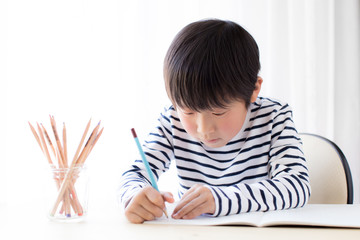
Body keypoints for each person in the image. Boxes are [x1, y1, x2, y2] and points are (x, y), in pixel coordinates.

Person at [118, 19, 310, 224]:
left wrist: (221, 199)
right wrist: (134, 195)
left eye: (218, 112)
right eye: (189, 112)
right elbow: (134, 174)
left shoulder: (273, 117)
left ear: (254, 89)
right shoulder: (172, 119)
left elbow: (297, 186)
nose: (204, 129)